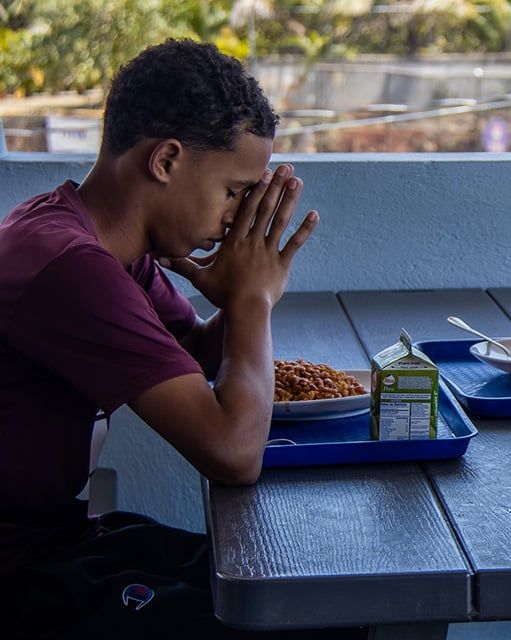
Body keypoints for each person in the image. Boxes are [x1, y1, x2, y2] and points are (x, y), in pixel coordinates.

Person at [0, 40, 328, 638]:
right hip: (18, 570)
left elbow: (197, 353)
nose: (237, 215)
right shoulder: (68, 265)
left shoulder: (107, 245)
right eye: (233, 191)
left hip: (58, 538)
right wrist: (253, 299)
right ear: (167, 161)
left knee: (307, 591)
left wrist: (247, 287)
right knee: (288, 620)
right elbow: (233, 455)